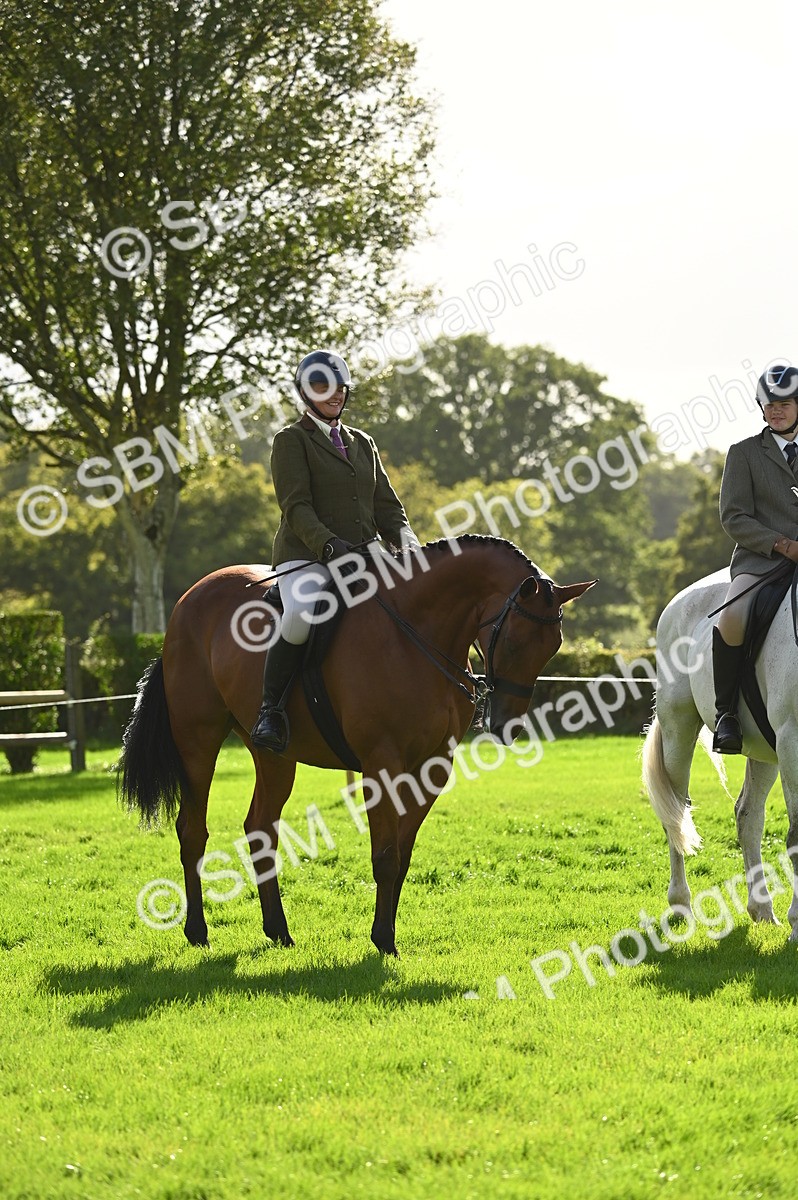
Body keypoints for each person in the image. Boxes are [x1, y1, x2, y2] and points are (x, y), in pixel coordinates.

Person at [251, 349, 419, 752]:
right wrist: (329, 545)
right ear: (306, 393)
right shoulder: (291, 441)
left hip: (364, 554)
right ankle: (270, 711)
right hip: (307, 555)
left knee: (413, 600)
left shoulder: (362, 442)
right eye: (324, 387)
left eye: (340, 386)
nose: (335, 394)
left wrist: (407, 541)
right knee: (300, 611)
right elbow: (296, 507)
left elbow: (387, 507)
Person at [713, 363, 798, 753]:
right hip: (761, 561)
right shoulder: (744, 453)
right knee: (732, 615)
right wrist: (782, 544)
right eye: (768, 404)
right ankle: (726, 714)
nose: (775, 410)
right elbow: (733, 516)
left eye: (784, 403)